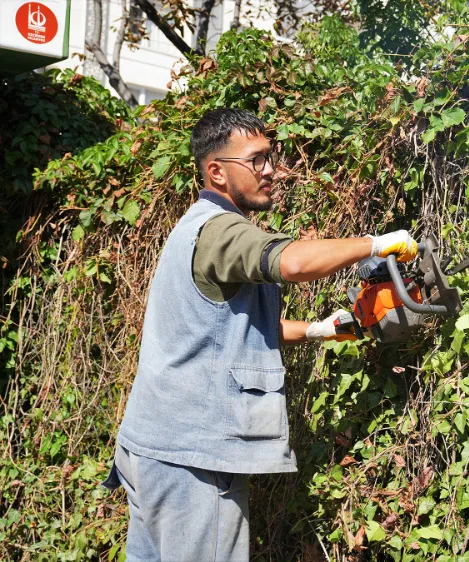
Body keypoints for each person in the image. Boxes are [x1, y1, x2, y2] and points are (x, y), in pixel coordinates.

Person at [101, 108, 416, 561]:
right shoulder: (221, 231)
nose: (271, 170)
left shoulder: (192, 228)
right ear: (217, 172)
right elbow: (291, 263)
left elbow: (224, 334)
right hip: (194, 459)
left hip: (151, 448)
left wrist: (317, 330)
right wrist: (375, 244)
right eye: (257, 160)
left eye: (271, 157)